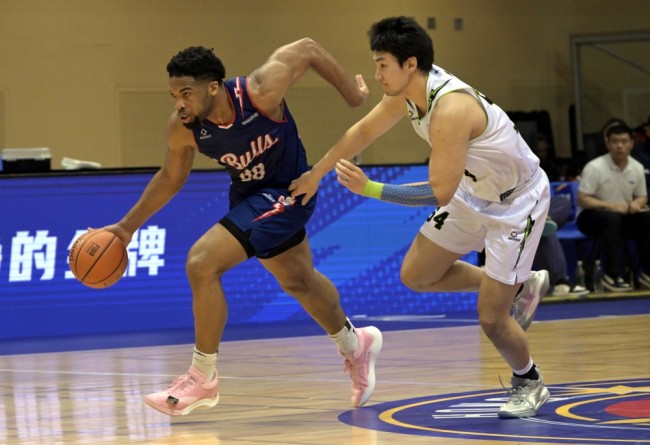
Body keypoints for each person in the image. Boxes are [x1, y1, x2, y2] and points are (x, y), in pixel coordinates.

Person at [102, 39, 383, 416]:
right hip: (249, 197)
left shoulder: (259, 92)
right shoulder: (184, 128)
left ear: (212, 88)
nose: (179, 104)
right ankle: (356, 345)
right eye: (173, 95)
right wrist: (126, 228)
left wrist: (354, 95)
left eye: (186, 93)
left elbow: (307, 49)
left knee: (201, 262)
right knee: (298, 280)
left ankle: (202, 378)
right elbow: (170, 177)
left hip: (291, 192)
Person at [289, 16, 551, 419]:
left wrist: (371, 189)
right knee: (417, 274)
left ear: (410, 64)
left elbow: (439, 192)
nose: (376, 74)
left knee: (492, 318)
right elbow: (361, 133)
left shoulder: (451, 108)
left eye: (382, 65)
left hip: (516, 204)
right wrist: (315, 174)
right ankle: (519, 284)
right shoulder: (409, 93)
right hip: (473, 191)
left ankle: (529, 381)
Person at [577, 121, 650, 291]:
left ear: (631, 143)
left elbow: (642, 197)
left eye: (624, 141)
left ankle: (647, 273)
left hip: (622, 218)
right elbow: (583, 199)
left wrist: (636, 203)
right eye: (615, 141)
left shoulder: (637, 167)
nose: (620, 146)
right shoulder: (594, 167)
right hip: (591, 218)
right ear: (607, 144)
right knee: (612, 218)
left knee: (647, 217)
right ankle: (613, 275)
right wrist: (612, 206)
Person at [533, 135, 589, 297]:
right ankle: (561, 281)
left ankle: (544, 221)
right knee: (546, 231)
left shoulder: (538, 169)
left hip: (541, 213)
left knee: (563, 202)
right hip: (521, 217)